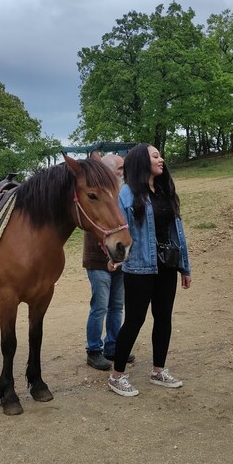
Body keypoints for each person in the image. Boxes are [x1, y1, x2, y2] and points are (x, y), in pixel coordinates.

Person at [108, 143, 192, 396]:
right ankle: (116, 376)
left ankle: (158, 370)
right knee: (134, 320)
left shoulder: (165, 190)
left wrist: (184, 267)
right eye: (155, 156)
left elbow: (178, 231)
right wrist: (116, 257)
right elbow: (117, 228)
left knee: (164, 317)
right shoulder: (126, 193)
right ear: (141, 162)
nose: (161, 159)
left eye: (160, 155)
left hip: (166, 265)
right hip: (139, 268)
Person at [83, 153, 135, 370]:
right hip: (98, 262)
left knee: (116, 306)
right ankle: (93, 350)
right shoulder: (99, 195)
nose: (124, 171)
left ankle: (112, 346)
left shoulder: (118, 193)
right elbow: (97, 229)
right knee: (100, 307)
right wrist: (108, 258)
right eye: (121, 168)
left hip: (119, 259)